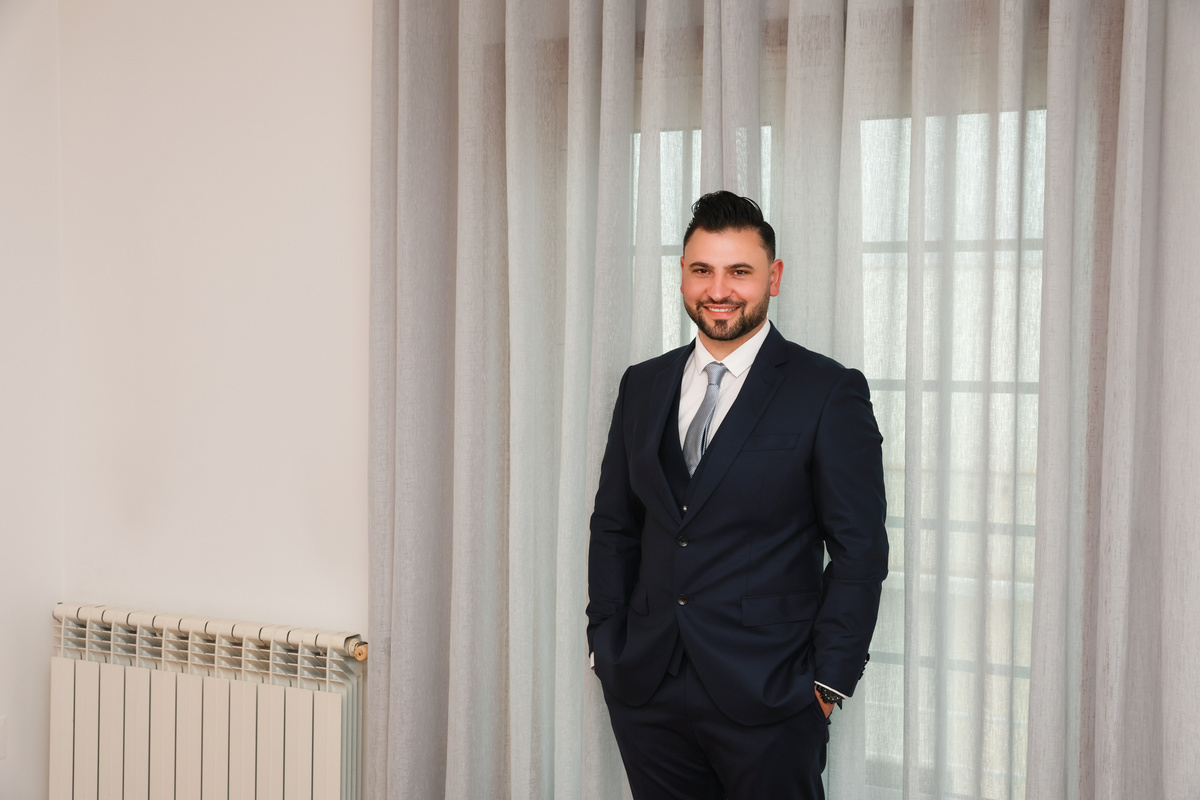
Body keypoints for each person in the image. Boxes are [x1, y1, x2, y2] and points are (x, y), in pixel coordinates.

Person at [586, 191, 888, 799]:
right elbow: (615, 525)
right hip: (646, 686)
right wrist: (605, 643)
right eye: (703, 270)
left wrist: (827, 683)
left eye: (739, 271)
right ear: (682, 275)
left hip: (771, 693)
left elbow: (859, 549)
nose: (718, 290)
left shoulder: (827, 391)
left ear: (773, 278)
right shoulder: (642, 384)